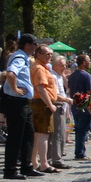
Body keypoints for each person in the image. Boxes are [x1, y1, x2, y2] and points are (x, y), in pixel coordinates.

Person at [0, 35, 38, 180]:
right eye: (34, 44)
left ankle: (26, 166)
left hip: (23, 102)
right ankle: (10, 170)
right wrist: (15, 89)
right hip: (16, 101)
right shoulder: (19, 57)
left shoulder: (23, 57)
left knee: (28, 134)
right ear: (27, 45)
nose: (35, 48)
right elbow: (10, 73)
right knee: (15, 136)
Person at [29, 44, 64, 174]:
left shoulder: (41, 67)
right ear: (38, 55)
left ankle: (34, 162)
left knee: (38, 135)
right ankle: (43, 163)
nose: (50, 56)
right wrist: (50, 105)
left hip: (40, 103)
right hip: (42, 104)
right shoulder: (39, 68)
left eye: (50, 54)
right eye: (47, 54)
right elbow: (41, 89)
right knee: (43, 134)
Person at [68, 52, 91, 159]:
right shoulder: (86, 76)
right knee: (83, 130)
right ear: (84, 63)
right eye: (89, 61)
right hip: (85, 106)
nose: (90, 63)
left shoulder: (72, 75)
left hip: (75, 106)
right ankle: (80, 153)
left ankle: (79, 151)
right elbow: (90, 92)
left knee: (78, 130)